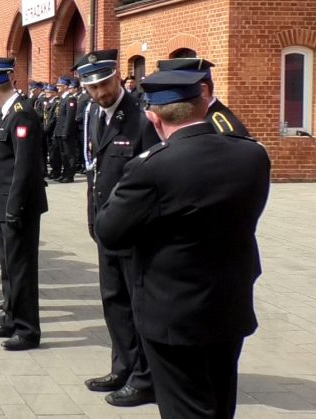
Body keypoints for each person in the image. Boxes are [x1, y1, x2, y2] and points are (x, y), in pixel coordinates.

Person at [95, 69, 270, 419]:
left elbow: (109, 231)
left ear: (152, 117)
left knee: (184, 408)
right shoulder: (252, 155)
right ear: (203, 101)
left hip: (172, 311)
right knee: (220, 402)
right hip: (229, 303)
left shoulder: (151, 168)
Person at [77, 49, 160, 407]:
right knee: (113, 301)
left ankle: (145, 377)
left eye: (105, 85)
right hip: (106, 226)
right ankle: (122, 365)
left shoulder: (141, 120)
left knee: (137, 304)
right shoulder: (94, 113)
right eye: (92, 88)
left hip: (134, 230)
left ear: (117, 78)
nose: (99, 93)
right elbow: (95, 170)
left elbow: (154, 179)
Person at [0, 67, 47, 351]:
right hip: (1, 201)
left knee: (21, 269)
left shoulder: (22, 113)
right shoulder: (4, 114)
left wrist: (15, 206)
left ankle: (27, 329)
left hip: (16, 205)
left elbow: (25, 167)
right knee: (9, 266)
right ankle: (10, 315)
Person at [157, 57, 251, 137]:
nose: (170, 99)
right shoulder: (194, 120)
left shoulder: (222, 130)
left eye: (177, 91)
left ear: (202, 90)